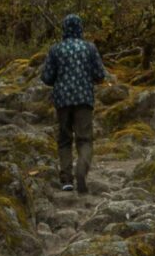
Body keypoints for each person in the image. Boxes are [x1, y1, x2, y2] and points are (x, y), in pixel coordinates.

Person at [41, 14, 107, 193]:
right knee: (84, 139)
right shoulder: (89, 48)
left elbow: (46, 77)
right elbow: (100, 75)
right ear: (80, 28)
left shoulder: (56, 49)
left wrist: (60, 78)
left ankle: (66, 179)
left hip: (62, 100)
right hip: (84, 99)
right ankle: (81, 171)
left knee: (64, 139)